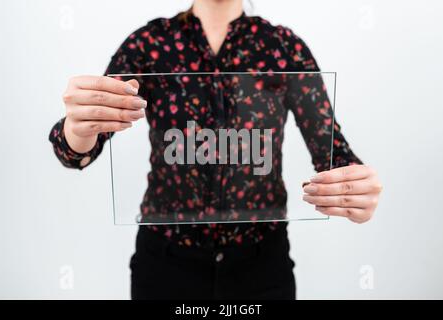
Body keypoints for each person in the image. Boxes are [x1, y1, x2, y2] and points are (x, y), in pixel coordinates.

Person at [49, 0, 382, 299]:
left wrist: (355, 188)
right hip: (165, 269)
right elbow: (76, 151)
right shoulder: (149, 45)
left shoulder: (282, 47)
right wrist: (79, 125)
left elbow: (335, 154)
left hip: (262, 268)